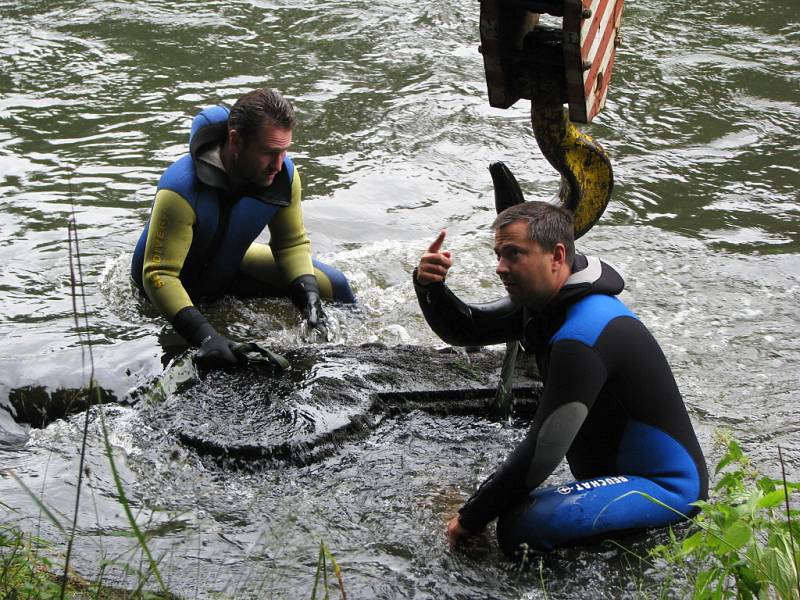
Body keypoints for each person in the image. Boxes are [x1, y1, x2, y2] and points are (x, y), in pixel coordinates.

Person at [413, 201, 708, 556]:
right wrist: (429, 286)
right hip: (615, 477)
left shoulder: (582, 334)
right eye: (498, 255)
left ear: (557, 255)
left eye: (513, 254)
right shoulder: (547, 299)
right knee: (509, 511)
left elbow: (543, 452)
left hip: (667, 489)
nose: (500, 268)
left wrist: (469, 518)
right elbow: (466, 328)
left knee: (522, 526)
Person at [131, 88, 355, 365]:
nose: (279, 163)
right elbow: (159, 273)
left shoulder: (283, 175)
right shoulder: (180, 189)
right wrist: (206, 336)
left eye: (285, 150)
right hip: (168, 288)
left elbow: (290, 243)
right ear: (236, 142)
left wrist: (308, 297)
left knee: (334, 287)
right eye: (269, 152)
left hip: (227, 271)